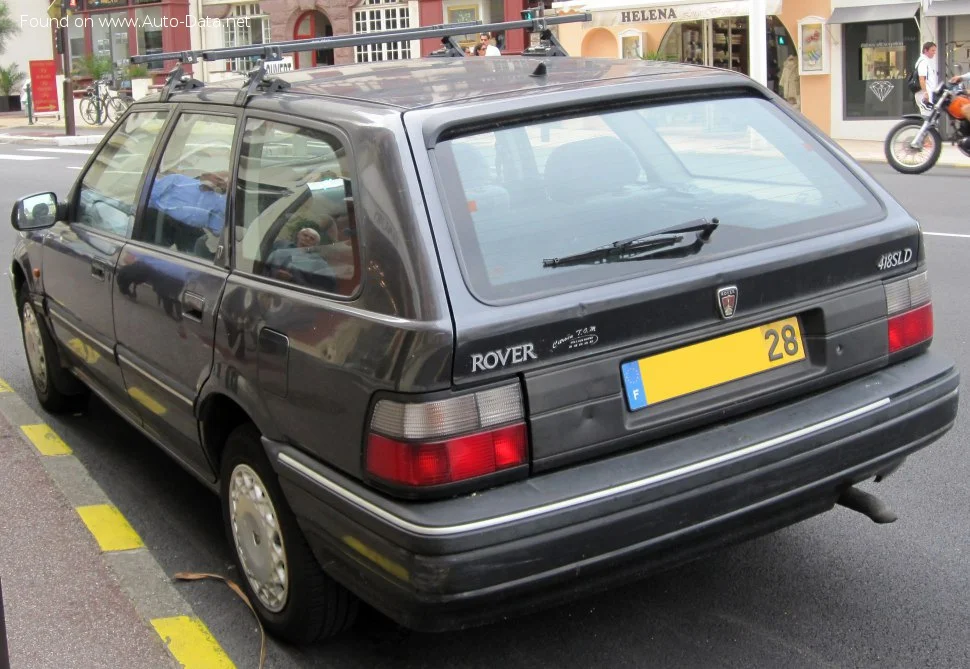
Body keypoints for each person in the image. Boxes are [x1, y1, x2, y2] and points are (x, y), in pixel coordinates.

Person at [915, 42, 938, 113]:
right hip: (924, 95)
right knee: (927, 117)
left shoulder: (927, 61)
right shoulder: (923, 62)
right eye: (932, 50)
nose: (934, 53)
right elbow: (922, 79)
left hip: (928, 94)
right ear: (925, 50)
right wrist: (925, 94)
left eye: (935, 50)